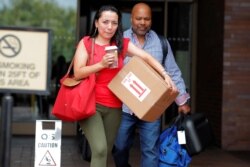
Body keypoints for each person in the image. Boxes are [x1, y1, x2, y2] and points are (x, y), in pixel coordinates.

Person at [74, 5, 176, 167]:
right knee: (100, 149)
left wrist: (164, 74)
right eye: (105, 22)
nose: (109, 27)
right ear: (96, 23)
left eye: (114, 23)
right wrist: (101, 64)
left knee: (106, 151)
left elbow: (146, 57)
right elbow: (78, 72)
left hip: (115, 107)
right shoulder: (86, 43)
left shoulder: (121, 45)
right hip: (91, 104)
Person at [112, 3, 191, 167]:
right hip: (124, 108)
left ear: (151, 20)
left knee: (151, 152)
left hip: (152, 108)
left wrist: (182, 101)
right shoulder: (119, 41)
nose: (142, 22)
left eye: (146, 19)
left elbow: (173, 72)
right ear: (131, 18)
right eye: (138, 18)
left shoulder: (161, 43)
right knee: (119, 148)